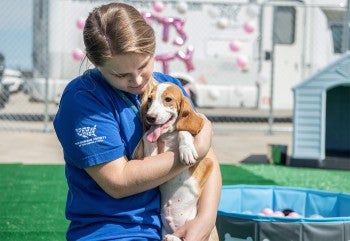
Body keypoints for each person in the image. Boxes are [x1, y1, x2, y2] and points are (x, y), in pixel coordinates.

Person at [54, 2, 221, 241]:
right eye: (120, 74)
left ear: (153, 49)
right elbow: (119, 182)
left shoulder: (168, 85)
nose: (137, 81)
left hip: (183, 223)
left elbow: (208, 164)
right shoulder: (83, 100)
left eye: (143, 65)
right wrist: (197, 149)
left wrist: (205, 219)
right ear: (94, 60)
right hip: (114, 230)